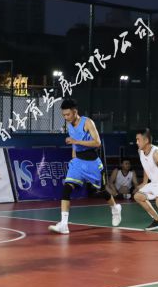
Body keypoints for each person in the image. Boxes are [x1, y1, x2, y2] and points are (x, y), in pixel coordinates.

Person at [48, 98, 122, 235]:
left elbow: (97, 143)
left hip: (92, 162)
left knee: (101, 191)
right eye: (64, 115)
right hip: (78, 162)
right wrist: (73, 158)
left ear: (75, 112)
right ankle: (64, 224)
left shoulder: (87, 122)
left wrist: (76, 141)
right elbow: (74, 144)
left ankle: (115, 208)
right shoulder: (69, 125)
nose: (66, 117)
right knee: (66, 189)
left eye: (68, 114)